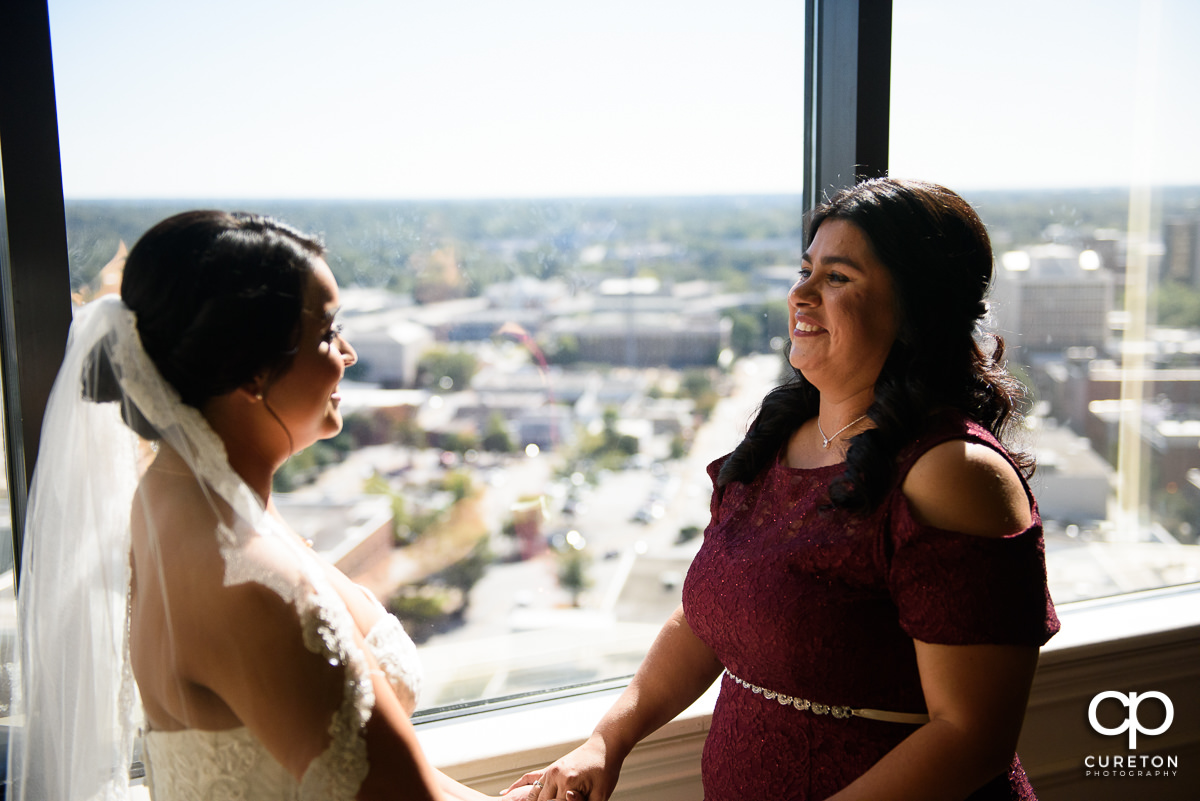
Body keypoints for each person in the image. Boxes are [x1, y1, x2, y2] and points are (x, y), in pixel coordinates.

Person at [505, 178, 1061, 801]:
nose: (800, 293)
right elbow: (708, 617)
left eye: (838, 277)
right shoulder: (776, 440)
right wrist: (605, 741)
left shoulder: (952, 472)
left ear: (916, 308)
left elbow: (970, 737)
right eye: (805, 270)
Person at [7, 211, 542, 801]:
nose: (350, 353)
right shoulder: (255, 581)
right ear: (252, 373)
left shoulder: (174, 494)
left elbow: (360, 770)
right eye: (327, 333)